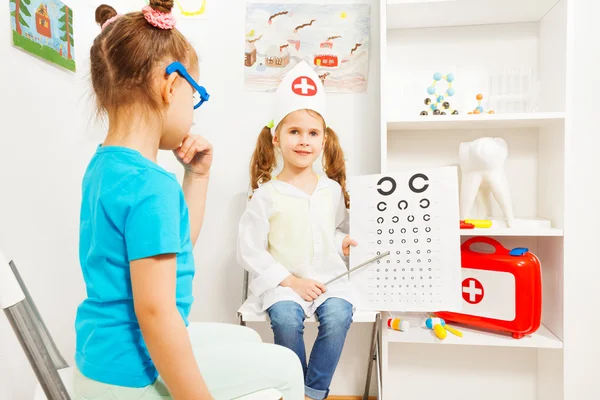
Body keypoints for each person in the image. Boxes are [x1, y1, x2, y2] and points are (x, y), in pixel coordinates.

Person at [75, 2, 305, 399]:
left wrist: (196, 176)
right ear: (170, 86)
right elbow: (156, 314)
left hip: (100, 359)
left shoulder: (106, 166)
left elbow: (175, 247)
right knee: (286, 366)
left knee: (248, 342)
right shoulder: (151, 185)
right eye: (194, 96)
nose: (193, 113)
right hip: (133, 375)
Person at [237, 61, 358, 400]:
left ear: (323, 140)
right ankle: (292, 389)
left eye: (312, 133)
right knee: (286, 319)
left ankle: (311, 393)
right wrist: (290, 281)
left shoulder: (331, 190)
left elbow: (331, 229)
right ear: (276, 138)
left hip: (328, 280)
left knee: (338, 314)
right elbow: (250, 249)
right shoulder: (266, 194)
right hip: (285, 284)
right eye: (294, 132)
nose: (304, 141)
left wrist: (342, 241)